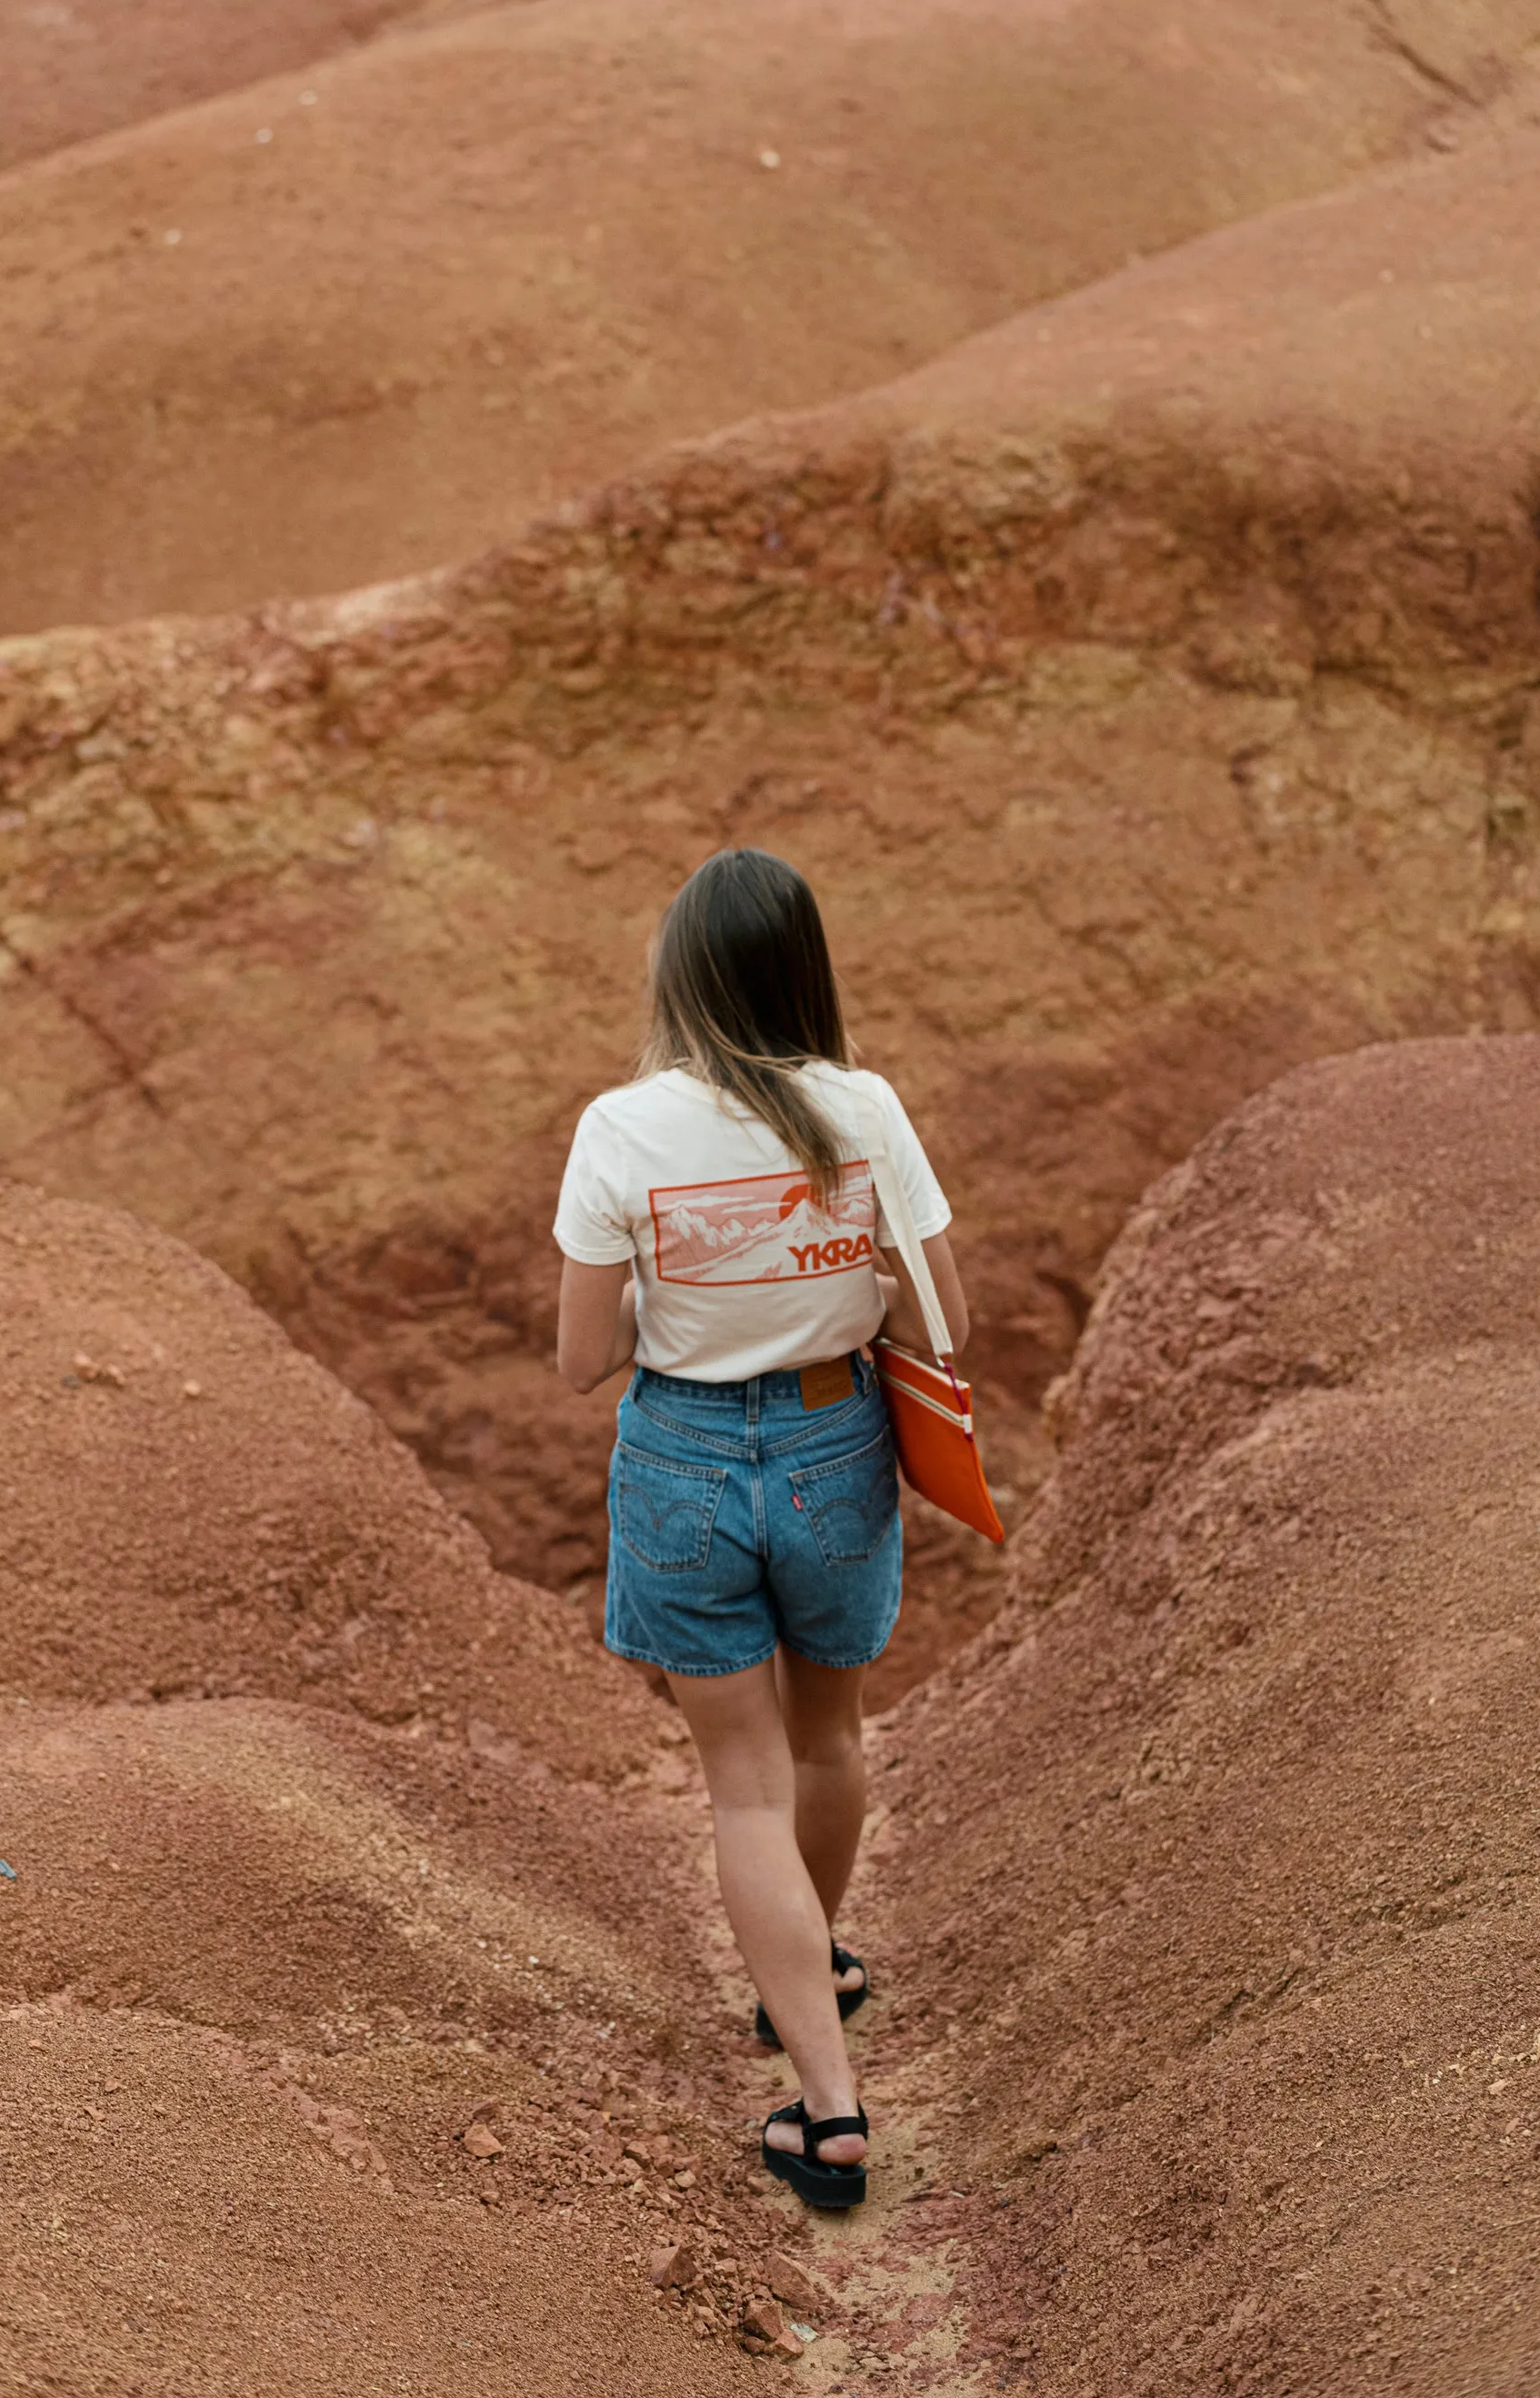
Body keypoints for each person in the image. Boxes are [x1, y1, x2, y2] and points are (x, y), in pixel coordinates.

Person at [552, 847, 968, 2210]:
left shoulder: (621, 1127)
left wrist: (682, 1288)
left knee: (742, 1785)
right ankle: (818, 1957)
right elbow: (938, 1318)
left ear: (679, 975)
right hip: (831, 1441)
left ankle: (829, 2105)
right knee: (827, 1736)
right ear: (806, 969)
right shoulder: (865, 1108)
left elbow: (578, 1361)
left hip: (680, 1453)